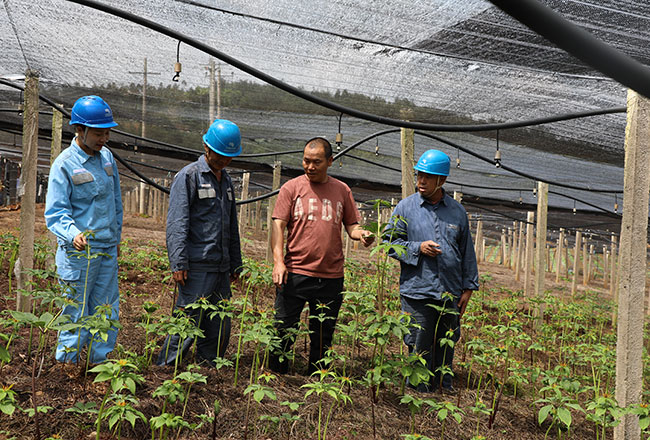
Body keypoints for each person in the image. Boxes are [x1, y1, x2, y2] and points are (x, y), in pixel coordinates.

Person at [270, 137, 374, 374]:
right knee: (283, 329)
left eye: (316, 162)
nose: (310, 167)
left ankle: (317, 381)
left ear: (330, 161)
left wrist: (362, 234)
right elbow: (278, 226)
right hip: (295, 272)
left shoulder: (342, 190)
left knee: (323, 332)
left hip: (330, 276)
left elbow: (352, 226)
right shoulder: (292, 188)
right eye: (306, 161)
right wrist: (278, 262)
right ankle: (276, 376)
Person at [386, 149, 479, 393]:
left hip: (449, 293)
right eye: (419, 175)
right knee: (419, 341)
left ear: (442, 180)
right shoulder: (405, 208)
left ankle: (442, 389)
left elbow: (466, 252)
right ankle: (418, 393)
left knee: (446, 342)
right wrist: (418, 248)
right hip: (417, 291)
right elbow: (389, 243)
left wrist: (468, 287)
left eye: (428, 176)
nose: (421, 181)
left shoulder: (457, 212)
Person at [157, 119, 243, 367]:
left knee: (219, 326)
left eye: (229, 156)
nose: (225, 160)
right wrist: (178, 262)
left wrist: (235, 264)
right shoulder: (189, 176)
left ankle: (209, 370)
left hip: (221, 267)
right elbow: (177, 222)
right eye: (220, 154)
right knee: (186, 322)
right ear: (207, 148)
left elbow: (231, 226)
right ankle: (166, 369)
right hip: (196, 266)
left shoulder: (226, 181)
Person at [45, 95, 122, 363]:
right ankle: (67, 365)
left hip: (106, 250)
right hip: (79, 253)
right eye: (99, 133)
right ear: (80, 129)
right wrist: (72, 233)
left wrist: (117, 238)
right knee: (75, 310)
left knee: (106, 309)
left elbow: (115, 202)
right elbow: (56, 212)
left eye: (107, 132)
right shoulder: (64, 164)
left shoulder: (108, 158)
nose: (104, 139)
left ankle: (101, 364)